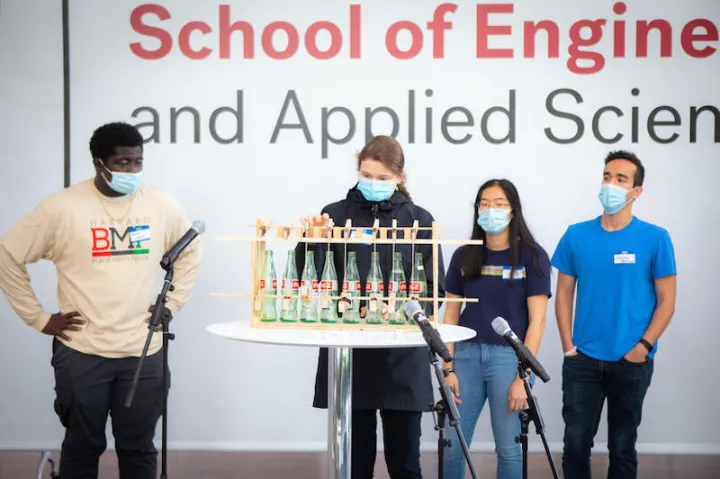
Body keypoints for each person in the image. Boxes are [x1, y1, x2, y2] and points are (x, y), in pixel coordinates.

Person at [0, 122, 203, 479]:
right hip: (82, 352)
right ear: (99, 163)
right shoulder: (61, 208)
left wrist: (171, 304)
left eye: (137, 162)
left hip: (143, 352)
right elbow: (7, 254)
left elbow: (190, 251)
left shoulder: (161, 204)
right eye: (122, 163)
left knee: (138, 448)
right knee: (82, 446)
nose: (131, 171)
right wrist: (39, 318)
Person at [295, 135, 445, 479]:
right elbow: (310, 277)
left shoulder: (420, 221)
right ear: (357, 171)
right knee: (352, 465)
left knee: (405, 465)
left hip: (402, 358)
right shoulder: (333, 215)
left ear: (400, 177)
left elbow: (435, 290)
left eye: (382, 178)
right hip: (349, 357)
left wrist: (391, 312)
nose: (373, 184)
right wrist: (310, 240)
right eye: (367, 175)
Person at [551, 150, 677, 479]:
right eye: (607, 176)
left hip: (632, 360)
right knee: (575, 444)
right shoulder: (576, 235)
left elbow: (667, 301)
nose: (611, 184)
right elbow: (563, 293)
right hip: (583, 361)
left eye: (621, 179)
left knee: (622, 447)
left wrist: (643, 347)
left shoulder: (655, 238)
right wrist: (568, 347)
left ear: (636, 191)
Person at [442, 179, 552, 479]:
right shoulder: (465, 255)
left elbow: (537, 321)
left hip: (509, 361)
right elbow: (450, 314)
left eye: (500, 204)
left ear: (513, 210)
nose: (491, 210)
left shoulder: (533, 256)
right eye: (485, 203)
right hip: (464, 357)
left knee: (508, 447)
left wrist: (523, 377)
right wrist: (447, 367)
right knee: (453, 444)